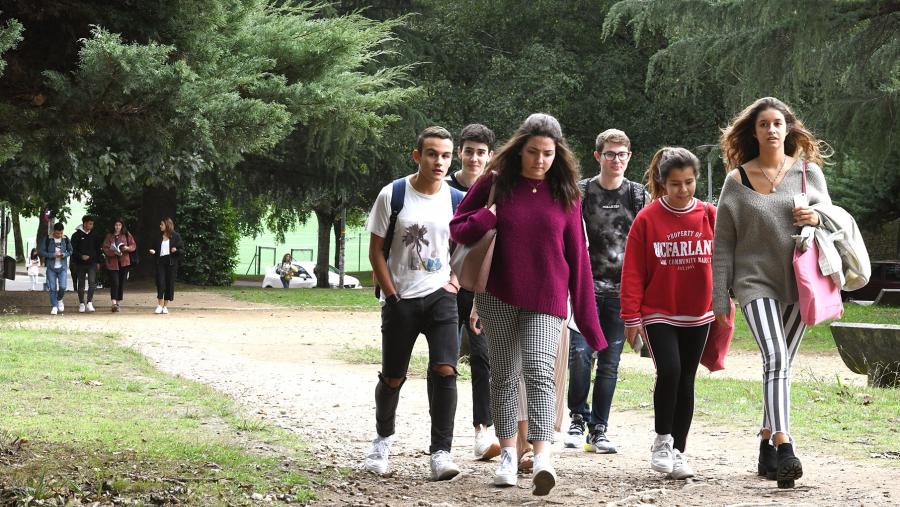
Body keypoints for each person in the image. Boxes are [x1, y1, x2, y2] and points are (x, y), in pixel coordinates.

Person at [451, 113, 605, 496]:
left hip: (547, 297)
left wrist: (589, 322)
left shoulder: (567, 193)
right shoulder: (495, 182)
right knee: (503, 376)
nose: (539, 160)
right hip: (497, 294)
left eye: (548, 154)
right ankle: (506, 455)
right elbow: (458, 227)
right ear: (520, 149)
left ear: (558, 155)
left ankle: (541, 458)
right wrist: (488, 216)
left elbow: (579, 259)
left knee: (538, 369)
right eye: (533, 152)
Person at [713, 97, 830, 489]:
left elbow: (830, 218)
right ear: (754, 131)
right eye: (763, 124)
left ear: (788, 128)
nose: (771, 130)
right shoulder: (737, 180)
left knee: (779, 366)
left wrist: (815, 215)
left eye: (777, 123)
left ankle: (764, 440)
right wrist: (719, 298)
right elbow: (723, 243)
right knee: (776, 356)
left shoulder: (807, 174)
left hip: (800, 283)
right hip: (753, 282)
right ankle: (784, 444)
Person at [364, 126, 463, 481]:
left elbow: (466, 246)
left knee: (445, 370)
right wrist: (391, 295)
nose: (439, 161)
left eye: (446, 155)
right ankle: (382, 439)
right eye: (433, 154)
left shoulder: (455, 199)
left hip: (441, 299)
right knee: (392, 376)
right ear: (417, 155)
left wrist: (456, 280)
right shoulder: (394, 194)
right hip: (400, 298)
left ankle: (441, 452)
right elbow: (375, 250)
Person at [620, 147, 715, 481]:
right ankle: (662, 440)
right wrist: (631, 316)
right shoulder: (647, 218)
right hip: (659, 311)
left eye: (689, 182)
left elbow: (725, 260)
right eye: (676, 183)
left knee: (687, 378)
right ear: (662, 182)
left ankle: (679, 451)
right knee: (670, 371)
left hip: (698, 312)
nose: (683, 189)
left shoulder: (708, 214)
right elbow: (632, 271)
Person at [565, 128, 649, 454]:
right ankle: (576, 417)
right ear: (598, 156)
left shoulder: (638, 196)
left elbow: (647, 246)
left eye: (622, 155)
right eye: (610, 154)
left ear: (629, 157)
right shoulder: (581, 192)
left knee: (610, 363)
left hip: (621, 293)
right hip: (584, 291)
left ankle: (599, 429)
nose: (616, 160)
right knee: (580, 356)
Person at [445, 123, 501, 461]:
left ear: (490, 156)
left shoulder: (495, 189)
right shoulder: (444, 188)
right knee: (445, 360)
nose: (474, 157)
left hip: (480, 287)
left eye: (481, 152)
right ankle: (443, 437)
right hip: (447, 286)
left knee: (483, 358)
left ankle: (483, 430)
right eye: (469, 151)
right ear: (460, 153)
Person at [148, 217, 184, 314]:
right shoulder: (158, 236)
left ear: (167, 225)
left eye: (162, 224)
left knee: (169, 284)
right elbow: (153, 247)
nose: (160, 226)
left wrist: (176, 250)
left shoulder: (176, 236)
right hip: (160, 262)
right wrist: (153, 251)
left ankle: (165, 306)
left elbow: (181, 250)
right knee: (160, 282)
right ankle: (159, 305)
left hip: (171, 263)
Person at [101, 218, 136, 312]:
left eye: (119, 225)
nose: (117, 227)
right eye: (116, 225)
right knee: (114, 282)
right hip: (112, 263)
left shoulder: (126, 234)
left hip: (124, 262)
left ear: (122, 226)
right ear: (113, 226)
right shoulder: (109, 236)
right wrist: (113, 253)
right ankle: (113, 303)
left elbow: (133, 245)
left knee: (121, 283)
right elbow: (105, 248)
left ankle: (118, 302)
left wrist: (127, 248)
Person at [70, 214, 103, 313]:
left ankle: (89, 302)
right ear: (84, 224)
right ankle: (81, 303)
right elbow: (72, 250)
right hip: (80, 263)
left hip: (92, 263)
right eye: (90, 224)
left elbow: (98, 249)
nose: (91, 226)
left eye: (92, 224)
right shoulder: (76, 235)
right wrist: (81, 256)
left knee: (92, 282)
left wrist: (98, 261)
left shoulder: (95, 235)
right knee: (81, 284)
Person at [39, 223, 73, 315]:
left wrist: (64, 254)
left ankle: (59, 299)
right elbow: (41, 251)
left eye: (61, 233)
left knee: (63, 287)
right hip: (51, 268)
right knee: (52, 288)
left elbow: (70, 251)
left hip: (62, 267)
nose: (59, 235)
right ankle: (54, 306)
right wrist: (51, 255)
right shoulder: (47, 238)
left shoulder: (65, 239)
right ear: (54, 231)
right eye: (58, 233)